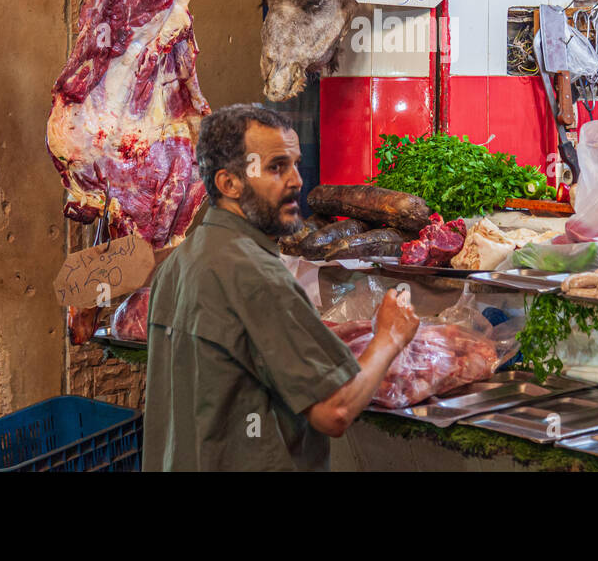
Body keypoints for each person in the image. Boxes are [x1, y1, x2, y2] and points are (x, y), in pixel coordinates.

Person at [142, 103, 419, 471]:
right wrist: (390, 336)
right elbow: (335, 409)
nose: (297, 180)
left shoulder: (180, 262)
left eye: (295, 163)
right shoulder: (256, 275)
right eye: (276, 167)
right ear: (229, 183)